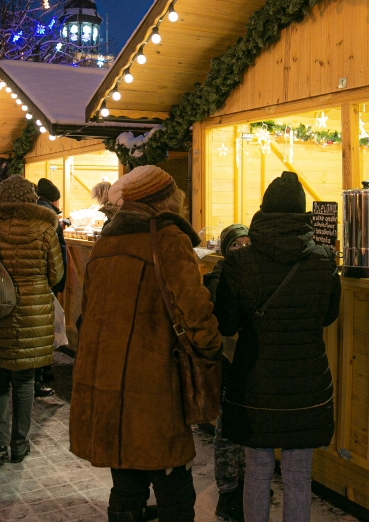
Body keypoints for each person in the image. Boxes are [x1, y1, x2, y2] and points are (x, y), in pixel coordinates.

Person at [70, 165, 222, 522]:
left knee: (125, 480)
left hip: (105, 381)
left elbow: (87, 309)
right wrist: (211, 350)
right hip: (155, 383)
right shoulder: (167, 238)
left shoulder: (107, 239)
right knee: (173, 484)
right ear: (167, 199)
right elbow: (195, 311)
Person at [215, 172, 341, 522]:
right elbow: (329, 316)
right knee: (299, 476)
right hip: (308, 383)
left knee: (256, 471)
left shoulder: (240, 262)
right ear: (302, 214)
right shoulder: (324, 258)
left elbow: (226, 324)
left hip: (256, 383)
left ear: (263, 211)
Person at [0, 175, 63, 465]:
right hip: (33, 312)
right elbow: (56, 275)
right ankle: (19, 445)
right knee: (24, 381)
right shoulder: (45, 226)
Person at [203, 224, 251, 521]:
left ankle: (244, 484)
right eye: (236, 245)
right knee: (227, 429)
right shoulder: (219, 277)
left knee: (243, 425)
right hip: (227, 360)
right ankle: (228, 491)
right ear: (226, 250)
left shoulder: (252, 273)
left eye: (247, 244)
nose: (243, 249)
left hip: (245, 361)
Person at [34, 177, 66, 395]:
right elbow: (56, 254)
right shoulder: (50, 219)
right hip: (44, 282)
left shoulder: (29, 216)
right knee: (44, 327)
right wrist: (58, 280)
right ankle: (41, 371)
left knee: (34, 328)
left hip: (29, 284)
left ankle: (36, 372)